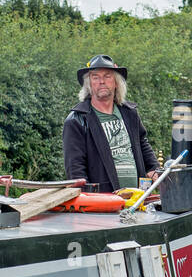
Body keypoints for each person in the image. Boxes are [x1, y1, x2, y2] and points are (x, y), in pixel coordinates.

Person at [62, 54, 159, 193]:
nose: (101, 81)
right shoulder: (76, 120)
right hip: (103, 204)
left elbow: (142, 143)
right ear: (89, 84)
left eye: (107, 76)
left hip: (138, 197)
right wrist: (89, 201)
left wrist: (153, 169)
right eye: (95, 77)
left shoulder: (130, 113)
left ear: (116, 82)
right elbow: (75, 170)